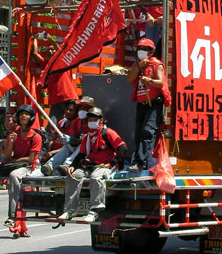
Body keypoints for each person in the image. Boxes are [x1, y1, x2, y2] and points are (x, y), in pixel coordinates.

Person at [58, 107, 126, 223]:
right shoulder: (87, 136)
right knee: (73, 176)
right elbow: (81, 154)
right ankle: (70, 210)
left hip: (104, 166)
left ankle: (94, 210)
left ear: (101, 120)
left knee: (96, 178)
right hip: (90, 165)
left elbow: (122, 148)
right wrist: (73, 166)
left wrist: (111, 163)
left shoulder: (108, 133)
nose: (92, 122)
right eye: (90, 119)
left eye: (95, 119)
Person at [0, 104, 42, 227]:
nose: (23, 116)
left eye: (26, 114)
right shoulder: (13, 134)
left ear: (31, 117)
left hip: (25, 167)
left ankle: (12, 215)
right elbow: (6, 156)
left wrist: (14, 160)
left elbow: (30, 159)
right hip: (10, 164)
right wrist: (11, 143)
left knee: (14, 176)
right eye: (21, 114)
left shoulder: (36, 136)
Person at [126, 38, 169, 171]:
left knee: (147, 131)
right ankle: (139, 161)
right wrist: (140, 67)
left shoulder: (157, 64)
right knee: (138, 132)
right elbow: (129, 79)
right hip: (141, 103)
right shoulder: (137, 65)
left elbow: (160, 82)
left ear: (151, 51)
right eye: (139, 49)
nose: (141, 52)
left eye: (144, 49)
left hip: (154, 104)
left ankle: (140, 162)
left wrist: (149, 80)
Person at [41, 99, 81, 176]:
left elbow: (72, 145)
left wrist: (52, 152)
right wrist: (48, 150)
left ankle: (61, 166)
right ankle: (48, 167)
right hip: (53, 153)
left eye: (71, 110)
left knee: (66, 147)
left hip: (64, 153)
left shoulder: (77, 124)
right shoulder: (62, 122)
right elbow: (54, 137)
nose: (68, 112)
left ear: (76, 113)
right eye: (67, 109)